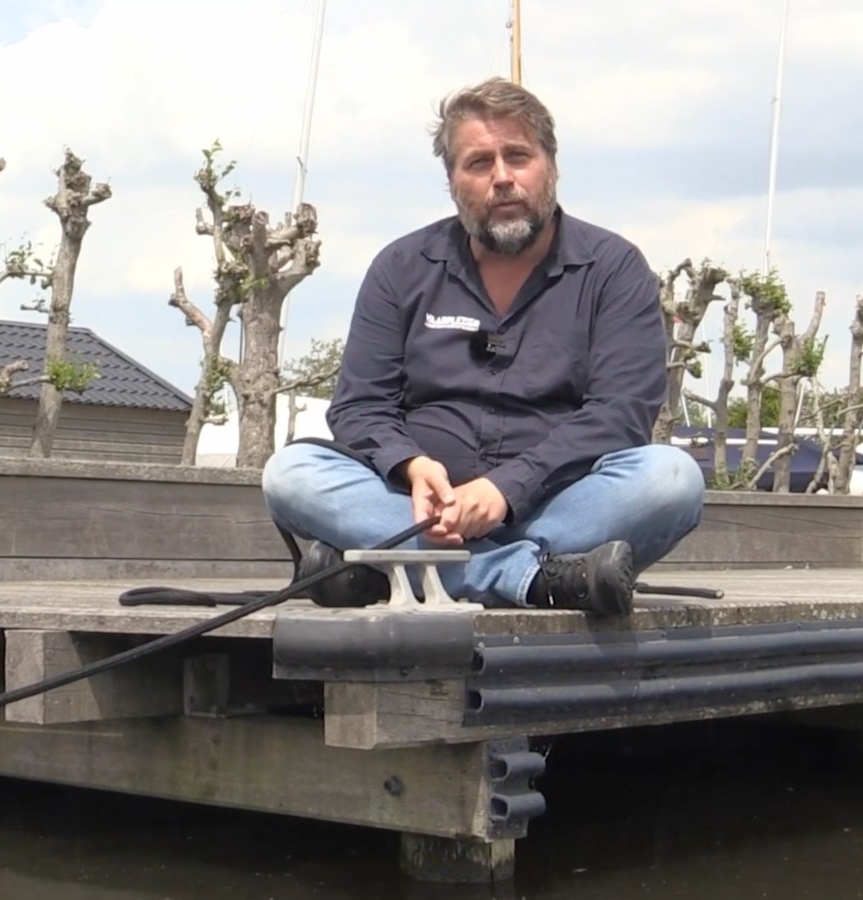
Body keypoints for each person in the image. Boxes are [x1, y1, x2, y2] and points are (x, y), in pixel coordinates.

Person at [260, 77, 706, 617]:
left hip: (557, 507)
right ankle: (530, 579)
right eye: (478, 163)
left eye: (518, 156)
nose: (502, 178)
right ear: (452, 181)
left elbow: (620, 415)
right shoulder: (401, 268)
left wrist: (504, 489)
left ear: (551, 165)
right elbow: (360, 407)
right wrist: (410, 466)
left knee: (670, 480)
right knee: (292, 473)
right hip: (417, 510)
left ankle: (399, 570)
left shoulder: (614, 269)